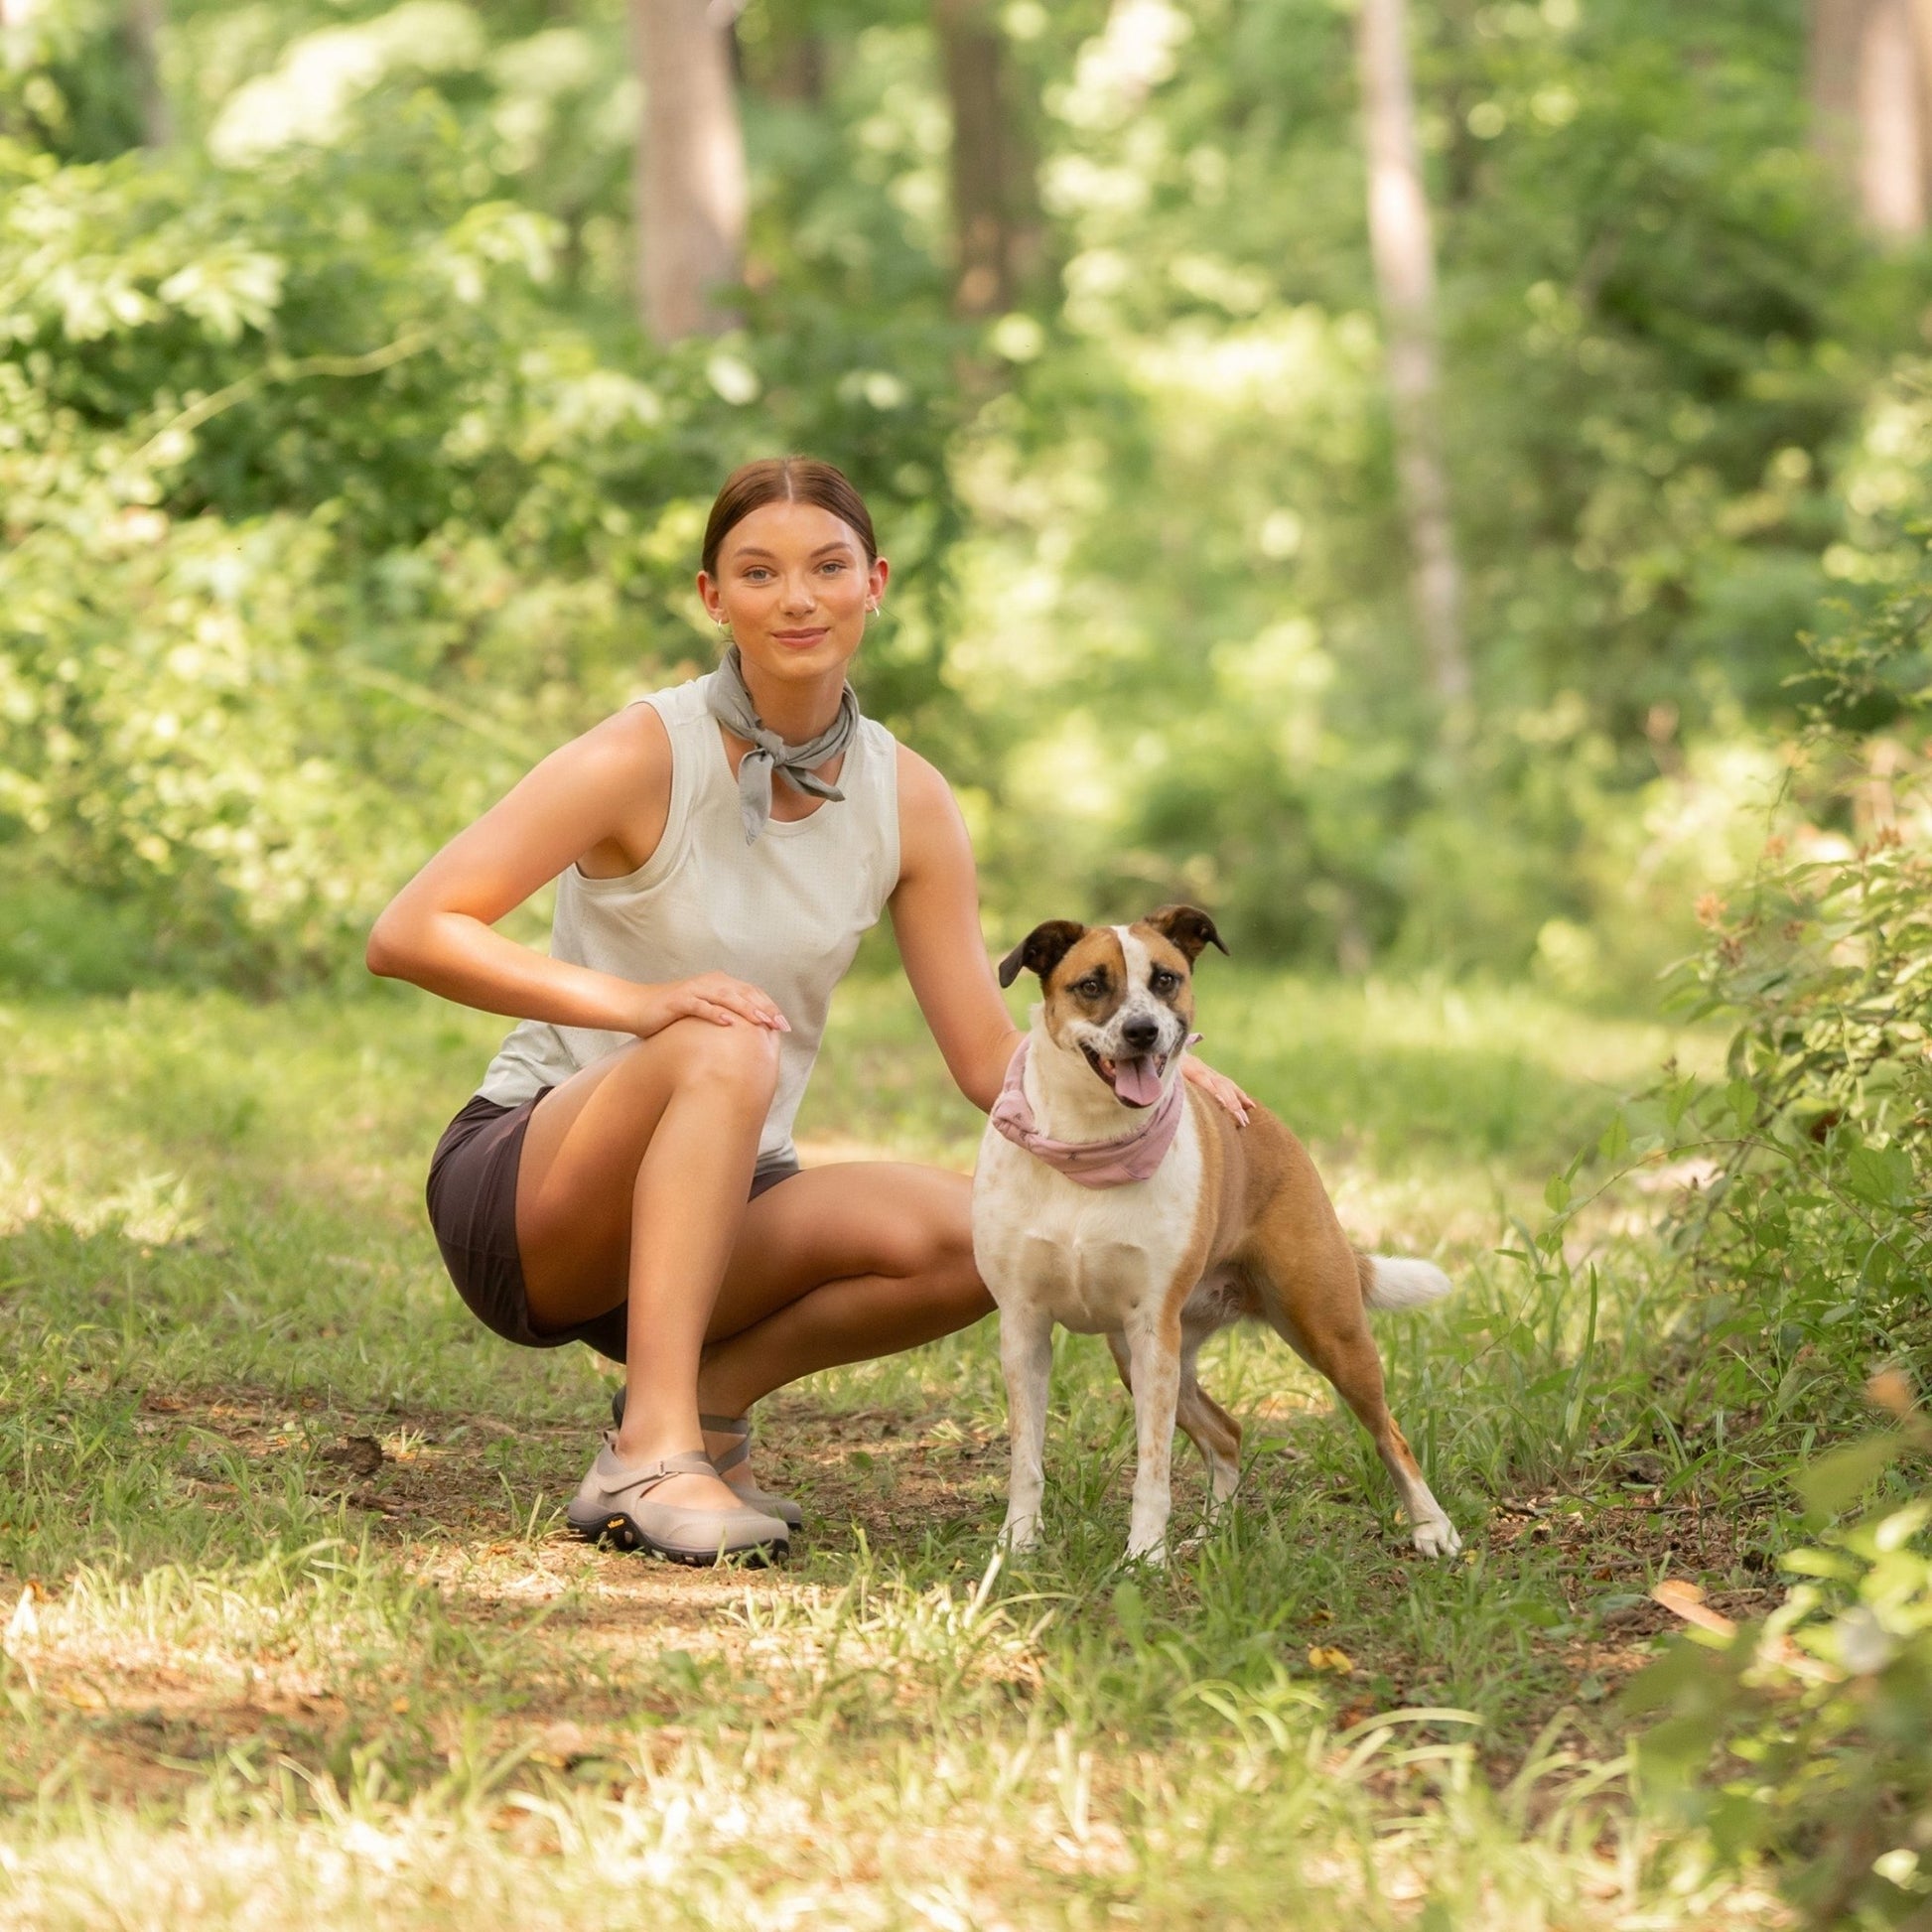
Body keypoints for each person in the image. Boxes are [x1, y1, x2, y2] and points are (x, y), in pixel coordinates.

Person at [367, 456, 1252, 1563]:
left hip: (725, 1200)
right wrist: (644, 1007)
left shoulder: (907, 795)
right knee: (725, 1041)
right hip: (536, 1190)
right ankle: (652, 1453)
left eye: (827, 567)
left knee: (970, 1233)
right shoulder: (643, 750)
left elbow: (991, 1059)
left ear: (872, 583)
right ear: (711, 597)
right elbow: (410, 930)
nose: (797, 598)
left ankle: (702, 1415)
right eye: (759, 571)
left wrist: (1157, 1080)